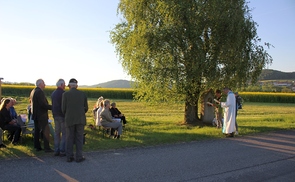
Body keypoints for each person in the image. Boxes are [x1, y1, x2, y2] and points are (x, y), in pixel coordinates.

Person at [62, 78, 88, 163]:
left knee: (69, 138)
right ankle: (79, 156)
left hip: (69, 119)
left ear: (69, 86)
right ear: (77, 86)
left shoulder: (65, 95)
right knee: (79, 138)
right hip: (80, 119)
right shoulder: (82, 94)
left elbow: (63, 109)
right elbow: (86, 108)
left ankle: (69, 156)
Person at [30, 79, 53, 152]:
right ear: (40, 84)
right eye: (43, 83)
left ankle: (37, 146)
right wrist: (52, 107)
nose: (45, 84)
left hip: (35, 114)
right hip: (41, 115)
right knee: (46, 130)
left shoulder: (33, 91)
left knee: (37, 131)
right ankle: (47, 147)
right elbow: (43, 104)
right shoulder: (40, 92)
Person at [51, 79, 66, 157]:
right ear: (61, 84)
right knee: (64, 133)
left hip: (55, 115)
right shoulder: (64, 93)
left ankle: (56, 150)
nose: (65, 85)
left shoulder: (53, 93)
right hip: (62, 116)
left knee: (57, 133)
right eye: (64, 84)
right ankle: (62, 150)